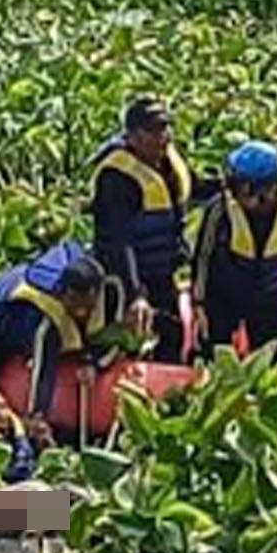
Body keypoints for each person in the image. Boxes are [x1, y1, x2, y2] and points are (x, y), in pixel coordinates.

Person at [191, 140, 277, 359]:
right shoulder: (220, 211)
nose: (238, 195)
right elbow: (203, 256)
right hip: (225, 297)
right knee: (215, 353)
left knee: (272, 357)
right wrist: (198, 304)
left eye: (244, 189)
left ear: (269, 190)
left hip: (272, 299)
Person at [0, 249, 117, 445]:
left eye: (87, 305)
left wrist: (94, 362)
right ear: (64, 294)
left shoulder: (109, 292)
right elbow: (44, 370)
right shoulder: (45, 321)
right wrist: (37, 416)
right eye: (75, 304)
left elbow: (115, 338)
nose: (81, 311)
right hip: (5, 318)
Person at [89, 95, 194, 363]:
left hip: (163, 272)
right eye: (153, 131)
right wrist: (135, 293)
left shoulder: (166, 162)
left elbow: (197, 188)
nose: (163, 137)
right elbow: (116, 241)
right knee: (134, 342)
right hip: (128, 277)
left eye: (165, 128)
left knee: (173, 335)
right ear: (133, 136)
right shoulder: (117, 177)